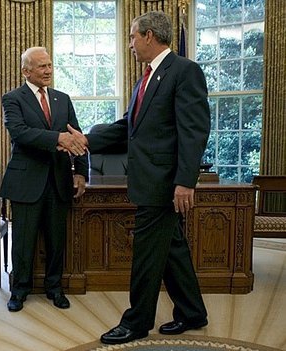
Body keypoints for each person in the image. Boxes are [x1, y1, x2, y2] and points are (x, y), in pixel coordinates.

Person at [68, 11, 210, 344]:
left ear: (149, 36)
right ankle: (192, 312)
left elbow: (194, 130)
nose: (130, 44)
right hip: (150, 180)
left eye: (132, 37)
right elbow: (128, 127)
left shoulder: (184, 71)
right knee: (172, 248)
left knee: (146, 252)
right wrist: (87, 139)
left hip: (164, 183)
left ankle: (136, 322)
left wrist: (186, 181)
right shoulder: (145, 78)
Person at [0, 46, 89, 312]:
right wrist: (56, 138)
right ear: (26, 71)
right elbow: (19, 133)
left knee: (56, 240)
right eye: (41, 66)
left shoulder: (63, 99)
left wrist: (82, 172)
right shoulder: (12, 98)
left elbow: (77, 135)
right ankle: (20, 290)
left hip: (59, 181)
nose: (48, 70)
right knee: (23, 241)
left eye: (50, 65)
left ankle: (55, 288)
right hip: (27, 181)